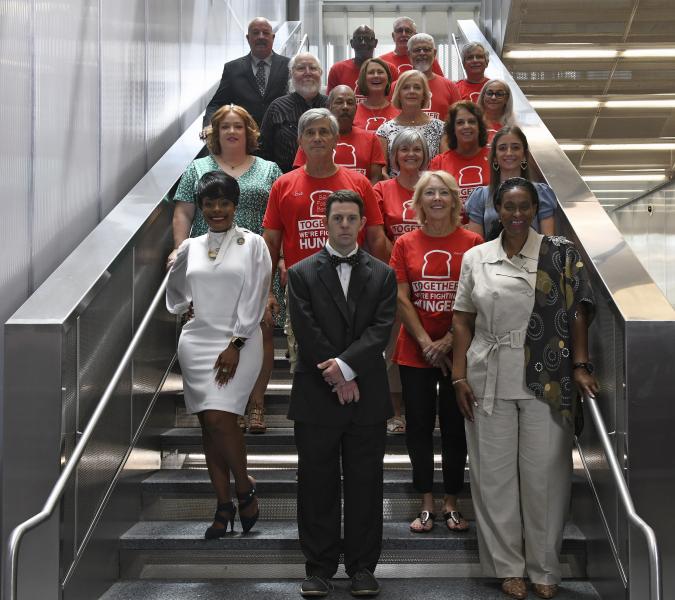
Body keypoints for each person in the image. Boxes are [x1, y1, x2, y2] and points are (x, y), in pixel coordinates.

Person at [452, 177, 598, 600]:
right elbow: (462, 319)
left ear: (535, 209)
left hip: (545, 378)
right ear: (496, 209)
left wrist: (581, 364)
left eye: (524, 207)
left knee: (545, 478)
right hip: (487, 376)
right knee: (493, 478)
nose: (516, 215)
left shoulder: (559, 254)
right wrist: (459, 375)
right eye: (509, 207)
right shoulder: (477, 257)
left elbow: (578, 312)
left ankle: (545, 569)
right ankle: (508, 567)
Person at [287, 189, 397, 598]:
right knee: (316, 485)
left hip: (366, 397)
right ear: (326, 222)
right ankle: (318, 568)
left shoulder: (383, 275)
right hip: (317, 396)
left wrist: (348, 368)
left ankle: (363, 568)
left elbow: (380, 330)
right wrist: (338, 375)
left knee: (366, 485)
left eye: (352, 218)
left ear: (362, 223)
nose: (346, 225)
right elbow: (306, 328)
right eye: (338, 219)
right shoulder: (300, 274)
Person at [166, 171, 272, 538]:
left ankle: (243, 486)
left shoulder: (253, 242)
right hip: (196, 342)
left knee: (220, 419)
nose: (216, 209)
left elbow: (257, 294)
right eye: (209, 203)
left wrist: (237, 343)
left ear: (235, 205)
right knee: (209, 427)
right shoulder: (190, 247)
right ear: (200, 207)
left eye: (223, 202)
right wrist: (186, 305)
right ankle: (224, 506)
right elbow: (176, 292)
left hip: (238, 343)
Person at [170, 104, 282, 433]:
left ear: (250, 132)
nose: (232, 132)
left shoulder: (269, 168)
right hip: (210, 261)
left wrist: (280, 263)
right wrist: (179, 252)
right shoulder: (198, 168)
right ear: (214, 134)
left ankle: (256, 404)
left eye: (239, 126)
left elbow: (276, 220)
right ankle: (223, 402)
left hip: (255, 257)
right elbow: (183, 213)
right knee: (213, 323)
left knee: (260, 326)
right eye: (224, 127)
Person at [389, 170, 483, 535]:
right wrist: (427, 342)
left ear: (455, 199)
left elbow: (477, 297)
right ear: (419, 201)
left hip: (459, 350)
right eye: (430, 193)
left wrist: (448, 341)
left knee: (456, 426)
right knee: (419, 428)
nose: (437, 199)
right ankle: (426, 500)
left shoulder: (473, 241)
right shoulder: (405, 243)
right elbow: (401, 296)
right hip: (415, 352)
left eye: (444, 192)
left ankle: (452, 502)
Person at [263, 108, 388, 373]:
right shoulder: (283, 185)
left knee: (355, 359)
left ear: (335, 140)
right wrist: (267, 291)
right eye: (310, 132)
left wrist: (382, 286)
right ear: (300, 142)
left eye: (324, 132)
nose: (317, 137)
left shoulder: (359, 182)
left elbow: (376, 237)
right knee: (307, 365)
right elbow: (271, 243)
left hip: (356, 283)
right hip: (304, 288)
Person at [374, 129, 430, 436]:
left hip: (430, 278)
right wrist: (402, 262)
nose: (410, 154)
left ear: (425, 154)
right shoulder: (382, 188)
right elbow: (377, 233)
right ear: (394, 156)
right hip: (393, 278)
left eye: (417, 149)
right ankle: (395, 411)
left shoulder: (433, 187)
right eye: (404, 149)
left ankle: (421, 408)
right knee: (395, 347)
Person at [465, 126, 557, 240]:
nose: (509, 153)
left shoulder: (541, 193)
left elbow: (548, 243)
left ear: (524, 155)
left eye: (515, 147)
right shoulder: (480, 196)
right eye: (502, 148)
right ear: (494, 157)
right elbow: (476, 248)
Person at [201, 18, 290, 134]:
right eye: (256, 33)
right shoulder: (232, 68)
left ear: (273, 38)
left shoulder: (289, 66)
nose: (261, 37)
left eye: (266, 33)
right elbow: (217, 104)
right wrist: (209, 125)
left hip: (280, 140)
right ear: (248, 38)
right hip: (245, 139)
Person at [294, 85, 386, 185]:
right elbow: (301, 177)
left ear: (356, 108)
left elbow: (375, 180)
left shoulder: (371, 139)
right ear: (329, 107)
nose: (345, 107)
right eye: (339, 102)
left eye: (350, 103)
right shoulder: (312, 140)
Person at [259, 53, 328, 173]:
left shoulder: (331, 105)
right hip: (286, 180)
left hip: (328, 178)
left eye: (313, 68)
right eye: (301, 68)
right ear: (291, 73)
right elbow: (262, 149)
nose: (308, 72)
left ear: (320, 73)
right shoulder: (277, 108)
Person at [429, 101, 490, 222]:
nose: (466, 126)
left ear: (479, 127)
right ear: (453, 129)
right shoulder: (439, 162)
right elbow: (433, 203)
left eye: (472, 121)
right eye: (460, 122)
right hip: (452, 229)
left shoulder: (494, 158)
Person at [376, 70, 446, 175]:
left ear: (424, 94)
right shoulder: (384, 130)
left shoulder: (441, 128)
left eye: (417, 87)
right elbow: (382, 172)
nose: (411, 91)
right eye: (406, 87)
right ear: (399, 94)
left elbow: (445, 167)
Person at [326, 25, 396, 100]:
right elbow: (330, 103)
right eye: (359, 39)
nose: (363, 43)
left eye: (368, 39)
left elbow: (396, 102)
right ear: (352, 43)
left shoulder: (390, 69)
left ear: (375, 43)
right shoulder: (337, 70)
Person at [404, 33, 460, 121]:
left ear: (434, 53)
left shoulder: (450, 86)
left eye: (426, 49)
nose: (422, 53)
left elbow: (458, 119)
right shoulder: (397, 86)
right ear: (409, 54)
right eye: (417, 50)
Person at [379, 16, 444, 77]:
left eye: (408, 31)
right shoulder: (382, 61)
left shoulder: (427, 59)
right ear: (393, 36)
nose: (404, 34)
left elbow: (440, 83)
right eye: (399, 31)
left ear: (415, 35)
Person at [353, 58, 400, 132]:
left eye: (380, 72)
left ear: (388, 78)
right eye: (371, 72)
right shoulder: (353, 111)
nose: (376, 76)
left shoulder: (399, 112)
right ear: (363, 79)